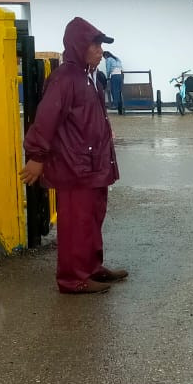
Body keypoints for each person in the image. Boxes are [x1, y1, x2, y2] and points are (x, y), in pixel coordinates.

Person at [22, 17, 126, 295]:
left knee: (92, 217)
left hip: (92, 164)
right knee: (76, 222)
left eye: (100, 45)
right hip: (75, 165)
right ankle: (72, 277)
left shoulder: (89, 78)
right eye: (94, 45)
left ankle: (90, 267)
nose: (99, 51)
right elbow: (46, 119)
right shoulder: (66, 79)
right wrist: (37, 156)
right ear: (79, 46)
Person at [102, 49, 125, 113]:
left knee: (114, 90)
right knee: (119, 91)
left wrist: (108, 77)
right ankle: (120, 106)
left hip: (114, 76)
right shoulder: (117, 58)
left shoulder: (108, 59)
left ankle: (116, 105)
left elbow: (108, 69)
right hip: (121, 75)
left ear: (105, 56)